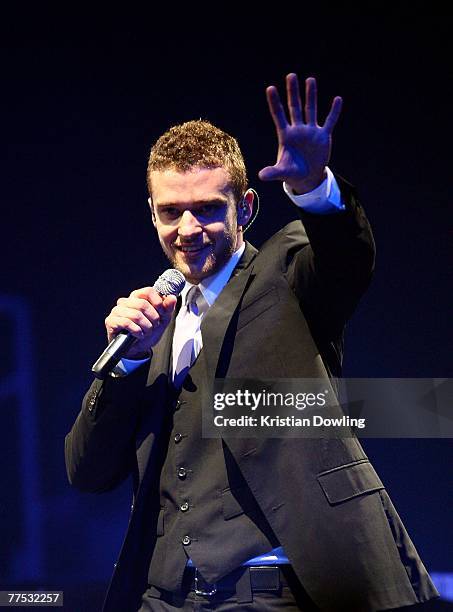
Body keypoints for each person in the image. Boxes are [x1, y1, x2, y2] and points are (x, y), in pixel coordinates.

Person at [65, 74, 438, 611]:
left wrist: (314, 188)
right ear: (152, 213)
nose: (188, 228)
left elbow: (346, 259)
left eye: (209, 208)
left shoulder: (285, 273)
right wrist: (128, 363)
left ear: (247, 207)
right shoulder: (152, 322)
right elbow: (86, 472)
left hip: (273, 591)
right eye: (171, 211)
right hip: (164, 596)